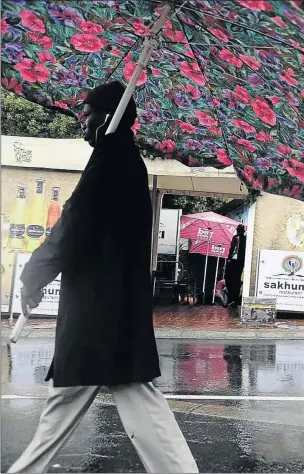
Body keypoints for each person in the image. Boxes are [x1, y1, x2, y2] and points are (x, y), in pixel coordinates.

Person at [8, 82, 199, 474]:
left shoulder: (110, 160)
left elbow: (74, 224)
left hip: (96, 311)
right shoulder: (126, 160)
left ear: (108, 118)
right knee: (136, 399)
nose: (83, 120)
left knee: (68, 402)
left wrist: (34, 274)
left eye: (89, 112)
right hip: (116, 308)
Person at [224, 224, 246, 307]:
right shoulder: (239, 237)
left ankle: (233, 299)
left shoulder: (239, 238)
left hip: (237, 261)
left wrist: (229, 258)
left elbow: (232, 248)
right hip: (238, 261)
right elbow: (232, 248)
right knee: (234, 281)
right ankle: (233, 299)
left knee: (234, 280)